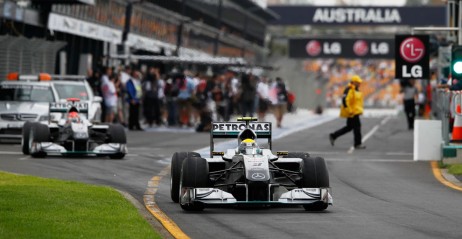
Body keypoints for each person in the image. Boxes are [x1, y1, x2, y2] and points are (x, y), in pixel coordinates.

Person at [329, 75, 366, 149]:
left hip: (354, 112)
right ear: (354, 82)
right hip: (352, 112)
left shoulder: (355, 89)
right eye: (358, 82)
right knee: (357, 127)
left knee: (349, 127)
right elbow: (345, 101)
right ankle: (357, 144)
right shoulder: (349, 89)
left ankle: (334, 135)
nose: (359, 83)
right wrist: (350, 111)